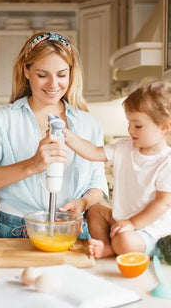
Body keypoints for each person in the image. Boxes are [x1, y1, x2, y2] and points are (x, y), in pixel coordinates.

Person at [0, 31, 108, 238]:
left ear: (71, 73)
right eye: (42, 75)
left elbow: (97, 182)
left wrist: (83, 203)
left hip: (72, 230)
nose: (53, 85)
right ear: (26, 71)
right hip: (16, 231)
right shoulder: (3, 120)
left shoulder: (89, 124)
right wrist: (33, 165)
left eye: (61, 75)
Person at [64, 81, 171, 258]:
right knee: (95, 210)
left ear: (164, 127)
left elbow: (163, 203)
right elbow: (93, 152)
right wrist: (68, 137)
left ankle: (115, 248)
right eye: (129, 123)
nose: (129, 129)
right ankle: (105, 245)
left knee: (125, 241)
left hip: (149, 230)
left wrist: (132, 223)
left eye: (137, 125)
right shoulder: (124, 148)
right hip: (123, 222)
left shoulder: (166, 162)